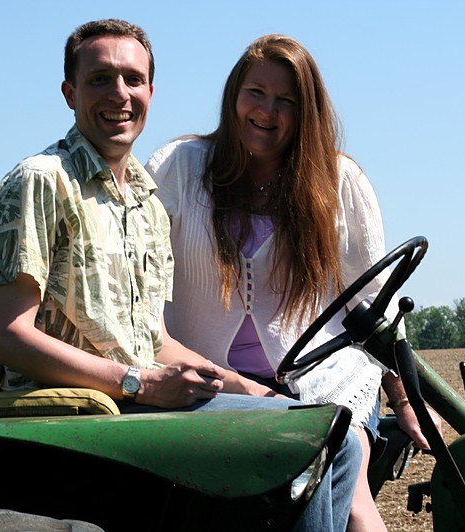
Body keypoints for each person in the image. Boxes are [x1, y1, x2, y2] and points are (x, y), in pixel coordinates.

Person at [0, 19, 360, 531]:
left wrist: (249, 389)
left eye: (132, 80)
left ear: (150, 92)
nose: (119, 94)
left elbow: (155, 339)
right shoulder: (41, 180)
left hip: (142, 403)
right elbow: (8, 336)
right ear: (70, 93)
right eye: (100, 79)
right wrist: (139, 383)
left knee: (332, 434)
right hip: (76, 414)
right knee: (306, 446)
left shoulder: (146, 199)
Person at [146, 34, 441, 531]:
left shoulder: (339, 181)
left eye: (286, 101)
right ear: (233, 95)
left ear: (306, 113)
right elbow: (145, 280)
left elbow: (372, 302)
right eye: (256, 93)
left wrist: (404, 398)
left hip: (327, 383)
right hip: (212, 384)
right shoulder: (179, 167)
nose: (267, 111)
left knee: (346, 488)